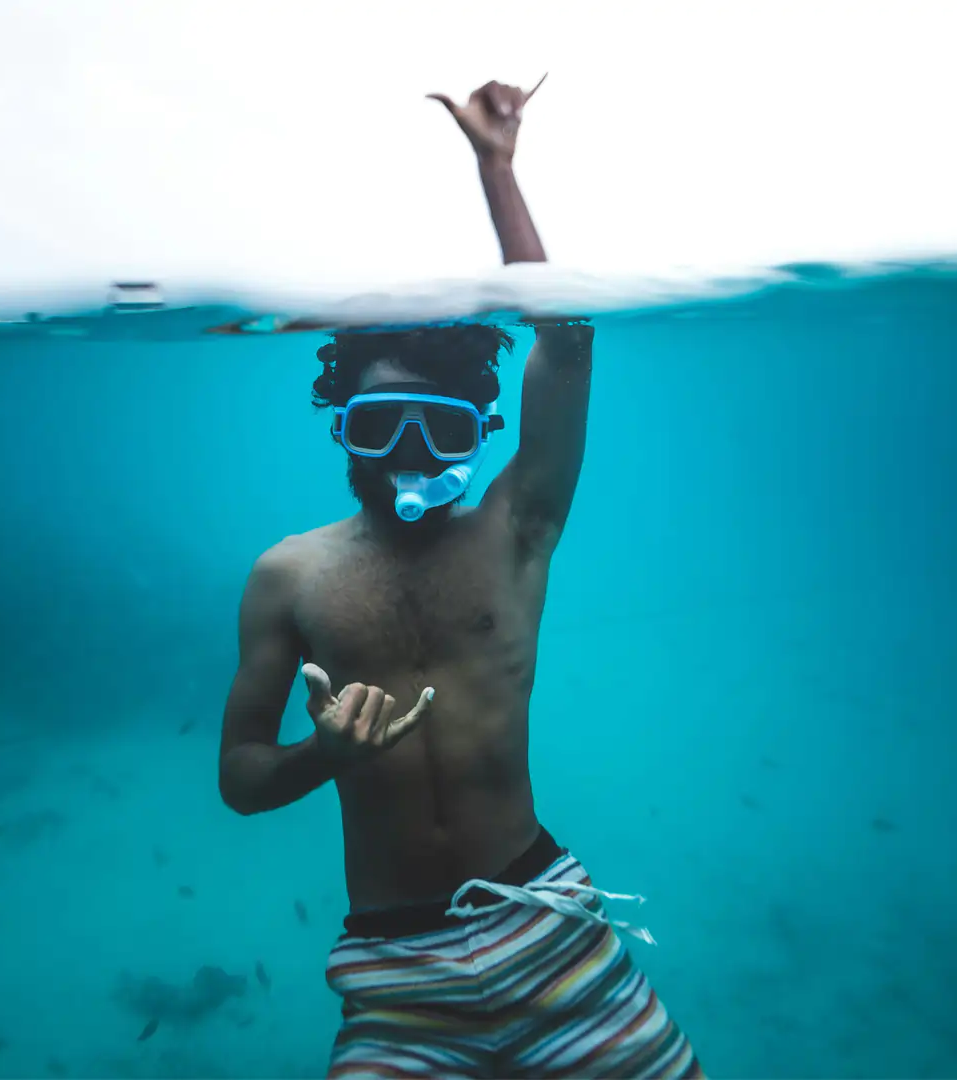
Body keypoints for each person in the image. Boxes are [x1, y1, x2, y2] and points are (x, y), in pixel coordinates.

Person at [218, 77, 703, 1079]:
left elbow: (566, 341)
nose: (405, 451)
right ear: (340, 428)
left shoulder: (517, 530)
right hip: (396, 978)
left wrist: (498, 169)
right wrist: (324, 754)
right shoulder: (288, 576)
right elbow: (242, 781)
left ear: (480, 431)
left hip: (549, 929)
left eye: (434, 427)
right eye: (376, 425)